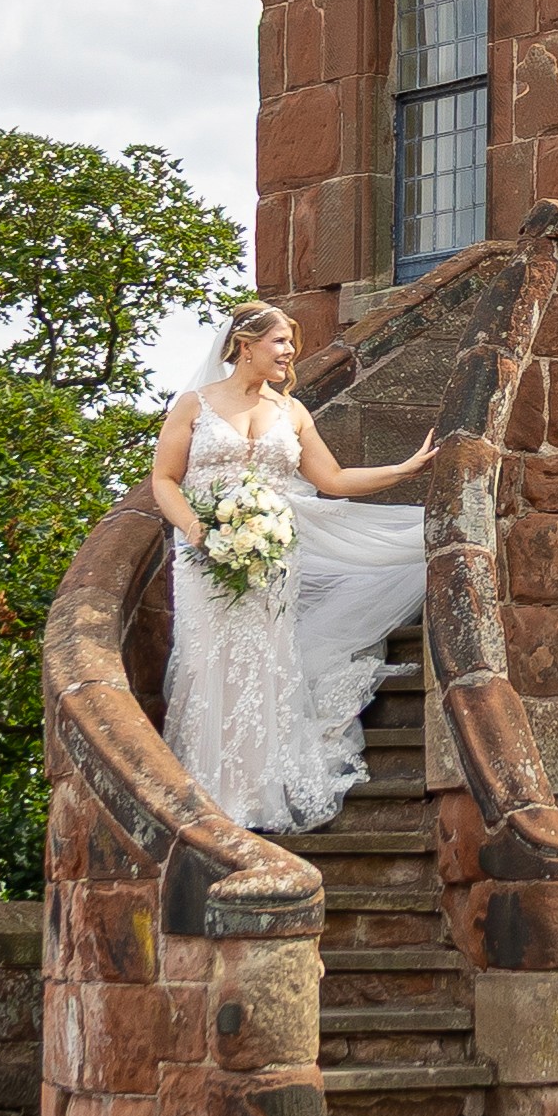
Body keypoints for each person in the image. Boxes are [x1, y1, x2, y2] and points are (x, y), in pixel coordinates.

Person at [150, 301, 437, 835]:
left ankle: (258, 793)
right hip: (203, 556)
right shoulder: (194, 405)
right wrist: (195, 529)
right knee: (207, 662)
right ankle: (206, 793)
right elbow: (165, 479)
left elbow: (332, 479)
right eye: (280, 342)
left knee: (265, 660)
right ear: (245, 343)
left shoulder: (293, 412)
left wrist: (404, 469)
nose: (289, 353)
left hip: (274, 555)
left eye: (291, 344)